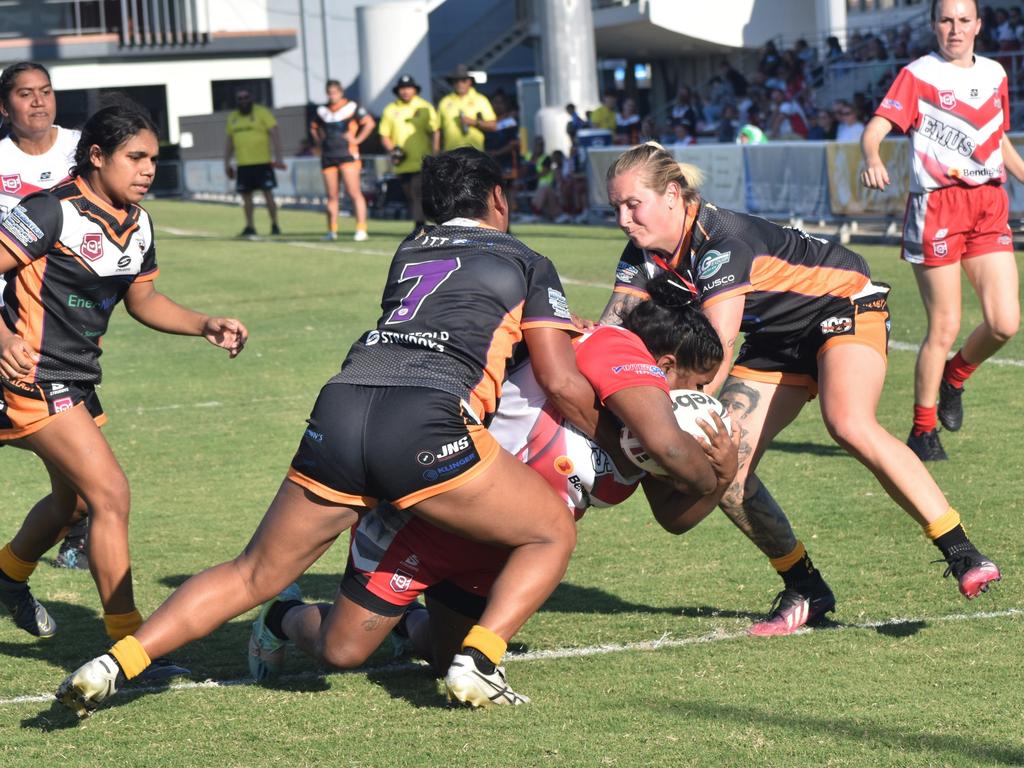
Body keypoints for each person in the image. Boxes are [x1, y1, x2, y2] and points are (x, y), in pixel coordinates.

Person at [56, 147, 601, 716]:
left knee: (253, 572)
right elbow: (558, 380)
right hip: (426, 419)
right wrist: (601, 430)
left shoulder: (411, 246)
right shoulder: (526, 258)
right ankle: (481, 659)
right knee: (550, 531)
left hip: (344, 403)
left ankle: (115, 662)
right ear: (497, 199)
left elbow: (448, 317)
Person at [245, 273, 737, 696]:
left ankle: (415, 628)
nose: (699, 399)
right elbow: (670, 451)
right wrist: (699, 468)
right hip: (427, 519)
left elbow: (673, 519)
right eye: (697, 384)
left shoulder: (647, 432)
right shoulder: (615, 348)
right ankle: (283, 613)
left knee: (441, 662)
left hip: (501, 545)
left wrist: (721, 478)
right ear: (665, 365)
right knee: (341, 651)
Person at [600, 142, 1002, 634]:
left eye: (631, 204)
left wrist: (678, 417)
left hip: (843, 305)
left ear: (672, 195)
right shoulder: (641, 252)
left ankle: (961, 551)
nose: (622, 218)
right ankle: (805, 587)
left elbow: (719, 348)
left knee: (848, 422)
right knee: (728, 467)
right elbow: (612, 329)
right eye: (615, 207)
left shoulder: (720, 241)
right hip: (775, 337)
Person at [0, 101, 247, 672]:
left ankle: (8, 577)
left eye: (154, 160)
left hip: (76, 377)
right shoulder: (49, 212)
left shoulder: (138, 221)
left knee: (76, 500)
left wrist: (203, 323)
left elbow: (144, 300)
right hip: (33, 374)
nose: (147, 169)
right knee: (111, 495)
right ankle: (130, 645)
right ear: (96, 156)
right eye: (135, 157)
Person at [860, 0, 1022, 461]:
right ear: (934, 26)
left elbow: (998, 138)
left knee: (1006, 322)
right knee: (945, 323)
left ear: (978, 25)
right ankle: (922, 429)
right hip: (938, 206)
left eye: (963, 20)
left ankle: (956, 377)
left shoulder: (995, 74)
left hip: (989, 204)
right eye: (946, 20)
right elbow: (875, 129)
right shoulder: (918, 74)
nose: (955, 29)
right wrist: (872, 156)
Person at [0, 61, 89, 571]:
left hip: (59, 324)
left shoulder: (82, 149)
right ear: (5, 106)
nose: (38, 102)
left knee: (78, 467)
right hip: (6, 325)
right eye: (25, 94)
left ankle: (75, 521)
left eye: (46, 92)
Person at [311, 80, 376, 242]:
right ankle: (331, 230)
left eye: (335, 92)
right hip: (328, 155)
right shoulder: (322, 111)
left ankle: (361, 228)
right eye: (329, 93)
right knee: (332, 196)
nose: (332, 96)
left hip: (348, 155)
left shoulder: (352, 107)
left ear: (341, 92)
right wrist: (320, 142)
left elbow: (369, 123)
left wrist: (357, 140)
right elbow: (313, 127)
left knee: (354, 192)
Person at [378, 73, 439, 231]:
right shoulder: (391, 109)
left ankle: (420, 227)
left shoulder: (424, 107)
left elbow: (435, 130)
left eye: (408, 88)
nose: (405, 91)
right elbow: (384, 135)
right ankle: (423, 225)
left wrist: (435, 152)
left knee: (418, 193)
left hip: (422, 159)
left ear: (415, 90)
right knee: (410, 196)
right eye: (402, 88)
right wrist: (393, 151)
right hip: (402, 162)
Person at [224, 89, 285, 238]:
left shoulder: (262, 112)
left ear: (251, 98)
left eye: (246, 97)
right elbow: (229, 142)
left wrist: (278, 156)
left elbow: (275, 134)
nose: (243, 100)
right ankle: (250, 226)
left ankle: (275, 224)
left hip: (262, 162)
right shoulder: (233, 117)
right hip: (243, 164)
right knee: (246, 197)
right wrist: (226, 162)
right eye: (240, 98)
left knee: (268, 194)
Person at [437, 64, 496, 152]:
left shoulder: (480, 100)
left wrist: (473, 122)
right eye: (456, 80)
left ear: (470, 81)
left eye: (463, 80)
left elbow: (493, 126)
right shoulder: (444, 102)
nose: (460, 83)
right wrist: (436, 152)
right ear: (452, 83)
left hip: (474, 153)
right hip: (450, 154)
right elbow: (437, 130)